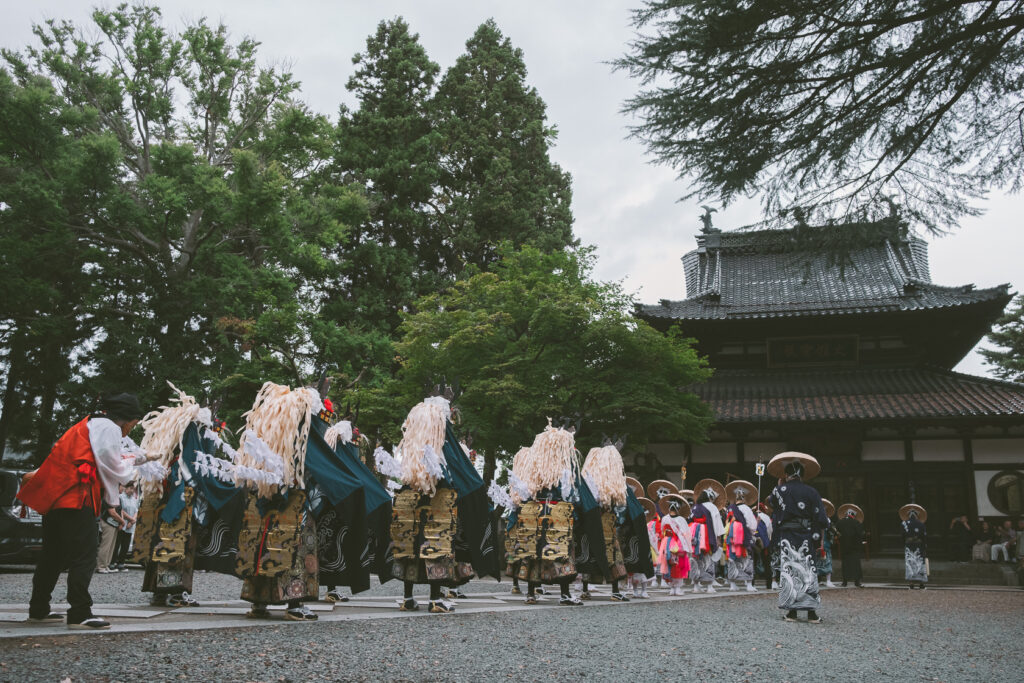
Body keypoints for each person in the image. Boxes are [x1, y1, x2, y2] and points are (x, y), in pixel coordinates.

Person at [17, 393, 144, 629]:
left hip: (57, 495)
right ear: (126, 418)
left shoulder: (85, 424)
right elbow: (111, 464)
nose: (130, 429)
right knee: (84, 556)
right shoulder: (109, 428)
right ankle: (80, 613)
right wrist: (130, 469)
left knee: (52, 555)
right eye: (133, 423)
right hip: (77, 496)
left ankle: (38, 609)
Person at [132, 385, 246, 609]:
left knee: (166, 542)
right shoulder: (189, 457)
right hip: (184, 500)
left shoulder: (176, 460)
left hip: (173, 497)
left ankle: (160, 591)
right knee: (182, 545)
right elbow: (201, 470)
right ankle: (176, 591)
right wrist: (230, 486)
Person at [505, 420, 586, 606]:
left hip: (536, 514)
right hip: (556, 515)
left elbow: (527, 494)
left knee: (535, 554)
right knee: (560, 553)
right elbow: (570, 496)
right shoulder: (561, 470)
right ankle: (564, 594)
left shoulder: (535, 468)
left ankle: (531, 594)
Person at [767, 452, 827, 624]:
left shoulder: (779, 490)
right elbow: (821, 518)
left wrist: (779, 486)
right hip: (806, 535)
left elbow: (772, 504)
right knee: (808, 570)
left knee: (789, 571)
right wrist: (817, 538)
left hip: (786, 537)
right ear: (802, 474)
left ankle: (792, 612)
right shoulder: (811, 491)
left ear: (786, 475)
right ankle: (811, 614)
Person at [688, 479, 726, 593]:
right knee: (708, 558)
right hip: (706, 535)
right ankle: (709, 586)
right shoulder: (712, 507)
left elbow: (689, 520)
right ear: (710, 498)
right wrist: (718, 538)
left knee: (695, 559)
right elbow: (717, 524)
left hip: (694, 534)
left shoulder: (695, 507)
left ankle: (696, 585)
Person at [724, 480, 759, 593]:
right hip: (744, 535)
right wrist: (754, 529)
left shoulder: (730, 508)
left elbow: (727, 522)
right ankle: (748, 584)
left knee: (732, 558)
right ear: (743, 498)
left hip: (731, 536)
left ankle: (732, 584)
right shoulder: (746, 509)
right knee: (747, 557)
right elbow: (752, 525)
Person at [656, 494, 692, 595]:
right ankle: (677, 588)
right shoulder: (681, 520)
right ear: (678, 508)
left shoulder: (664, 519)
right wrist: (688, 547)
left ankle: (672, 587)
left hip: (666, 542)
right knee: (679, 564)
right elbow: (686, 534)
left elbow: (663, 531)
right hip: (678, 543)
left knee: (668, 563)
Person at [835, 504, 865, 587]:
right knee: (856, 563)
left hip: (844, 546)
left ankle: (844, 582)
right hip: (854, 547)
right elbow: (860, 534)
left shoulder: (840, 522)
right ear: (853, 515)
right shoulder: (856, 522)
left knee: (845, 563)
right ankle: (857, 582)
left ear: (847, 514)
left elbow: (837, 532)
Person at [900, 504, 928, 589]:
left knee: (909, 563)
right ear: (916, 515)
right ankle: (921, 583)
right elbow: (924, 536)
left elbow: (902, 535)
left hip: (909, 545)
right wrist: (925, 545)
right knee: (920, 563)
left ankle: (911, 583)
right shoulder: (921, 524)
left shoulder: (904, 523)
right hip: (919, 545)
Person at [112, 482, 139, 571]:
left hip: (130, 525)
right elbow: (121, 510)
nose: (132, 490)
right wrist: (130, 519)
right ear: (126, 488)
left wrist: (133, 521)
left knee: (125, 545)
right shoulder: (121, 497)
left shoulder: (134, 499)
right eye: (130, 488)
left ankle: (121, 562)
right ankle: (112, 562)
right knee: (117, 544)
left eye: (133, 488)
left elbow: (136, 510)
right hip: (122, 523)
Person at [97, 495, 126, 573]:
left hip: (115, 523)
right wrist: (122, 521)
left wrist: (121, 521)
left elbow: (120, 511)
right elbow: (112, 512)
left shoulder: (117, 497)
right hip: (108, 522)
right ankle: (101, 566)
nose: (123, 488)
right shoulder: (109, 496)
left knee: (111, 546)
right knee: (106, 545)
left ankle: (106, 565)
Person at [816, 499, 837, 589]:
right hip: (823, 543)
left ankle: (820, 580)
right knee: (825, 560)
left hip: (819, 542)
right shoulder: (826, 519)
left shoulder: (816, 518)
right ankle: (827, 580)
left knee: (820, 560)